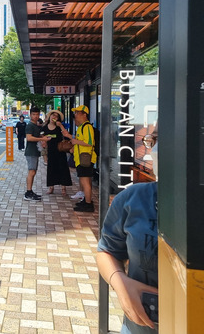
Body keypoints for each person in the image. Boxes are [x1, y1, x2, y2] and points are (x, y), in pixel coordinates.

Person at [97, 131, 158, 333]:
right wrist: (120, 282)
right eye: (154, 140)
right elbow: (107, 250)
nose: (156, 149)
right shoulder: (134, 198)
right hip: (138, 326)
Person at [56, 105, 96, 212]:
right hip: (81, 158)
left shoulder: (87, 127)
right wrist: (71, 139)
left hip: (86, 158)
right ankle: (86, 201)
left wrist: (75, 142)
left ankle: (88, 204)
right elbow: (80, 140)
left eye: (78, 113)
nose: (75, 115)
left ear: (84, 114)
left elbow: (90, 142)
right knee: (84, 181)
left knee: (85, 181)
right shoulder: (82, 127)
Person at [41, 110, 72, 195]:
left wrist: (61, 126)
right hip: (50, 151)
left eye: (56, 116)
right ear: (49, 116)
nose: (54, 117)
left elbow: (66, 134)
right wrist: (43, 141)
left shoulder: (59, 127)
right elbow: (42, 136)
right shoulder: (45, 127)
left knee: (62, 168)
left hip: (60, 150)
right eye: (53, 115)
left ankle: (63, 188)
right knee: (51, 169)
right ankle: (51, 187)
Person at [24, 107, 52, 201]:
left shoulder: (36, 125)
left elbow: (36, 136)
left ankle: (30, 191)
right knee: (31, 171)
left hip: (35, 151)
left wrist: (42, 137)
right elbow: (29, 138)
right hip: (31, 152)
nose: (36, 116)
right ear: (30, 115)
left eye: (37, 114)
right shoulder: (30, 126)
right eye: (33, 114)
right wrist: (42, 139)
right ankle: (28, 193)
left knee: (33, 171)